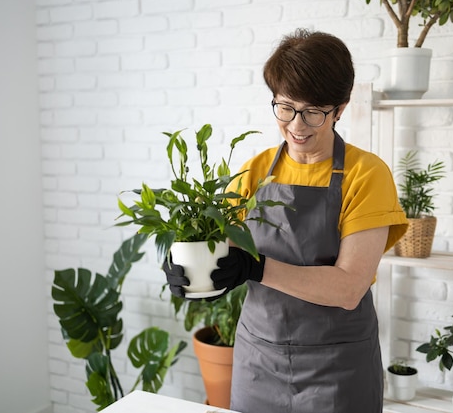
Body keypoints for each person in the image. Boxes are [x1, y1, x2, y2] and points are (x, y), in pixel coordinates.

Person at [165, 28, 408, 413]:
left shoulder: (367, 175)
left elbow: (348, 288)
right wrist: (194, 273)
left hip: (337, 368)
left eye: (314, 111)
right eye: (285, 107)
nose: (297, 125)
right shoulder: (255, 171)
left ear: (341, 108)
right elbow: (226, 255)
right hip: (258, 361)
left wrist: (256, 267)